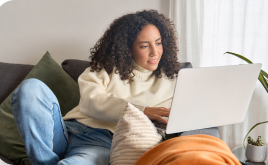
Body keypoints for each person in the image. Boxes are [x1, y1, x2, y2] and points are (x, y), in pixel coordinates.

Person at [11, 10, 219, 165]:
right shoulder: (104, 69)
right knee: (30, 88)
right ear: (128, 49)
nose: (155, 52)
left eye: (158, 43)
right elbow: (92, 102)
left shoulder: (176, 81)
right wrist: (142, 109)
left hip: (100, 145)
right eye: (145, 46)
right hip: (66, 131)